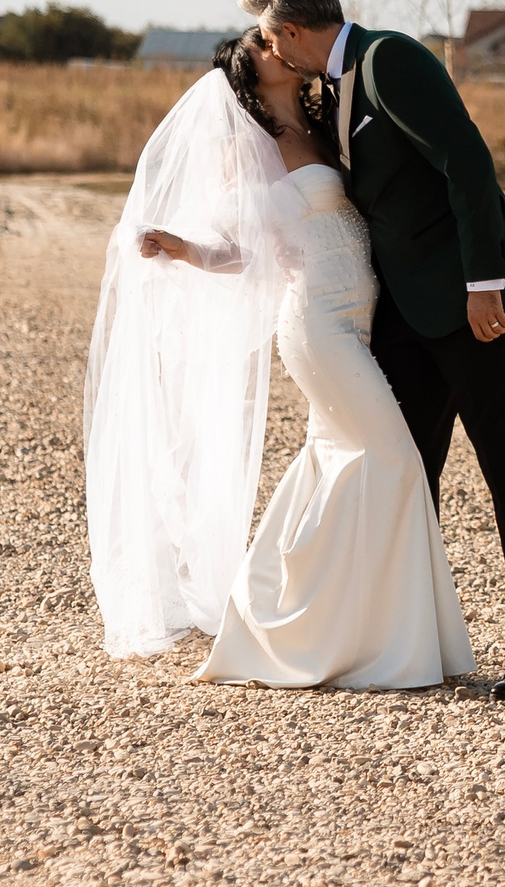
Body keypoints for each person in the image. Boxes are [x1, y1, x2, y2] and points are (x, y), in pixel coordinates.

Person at [83, 34, 473, 690]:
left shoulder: (325, 121)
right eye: (263, 45)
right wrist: (187, 250)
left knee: (333, 461)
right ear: (250, 70)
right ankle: (346, 634)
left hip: (364, 317)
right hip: (316, 323)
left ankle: (303, 622)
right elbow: (245, 248)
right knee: (394, 458)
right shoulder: (244, 146)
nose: (277, 45)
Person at [244, 0, 505, 702]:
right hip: (403, 314)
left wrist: (483, 283)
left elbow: (467, 162)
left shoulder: (389, 58)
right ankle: (403, 637)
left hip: (470, 301)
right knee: (402, 469)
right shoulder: (332, 90)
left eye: (270, 37)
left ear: (289, 29)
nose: (270, 50)